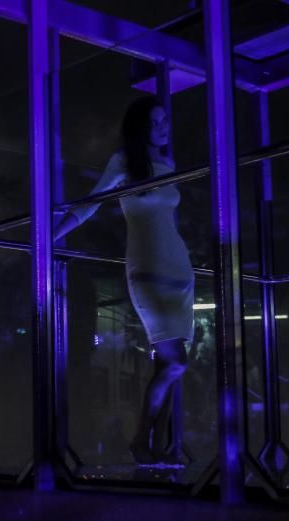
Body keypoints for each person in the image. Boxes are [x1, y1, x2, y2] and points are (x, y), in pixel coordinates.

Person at [55, 96, 193, 465]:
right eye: (155, 123)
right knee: (176, 361)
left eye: (165, 121)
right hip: (147, 269)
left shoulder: (168, 164)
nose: (164, 128)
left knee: (169, 365)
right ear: (139, 129)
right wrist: (50, 236)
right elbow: (90, 204)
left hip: (180, 270)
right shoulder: (124, 164)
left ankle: (160, 447)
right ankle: (139, 442)